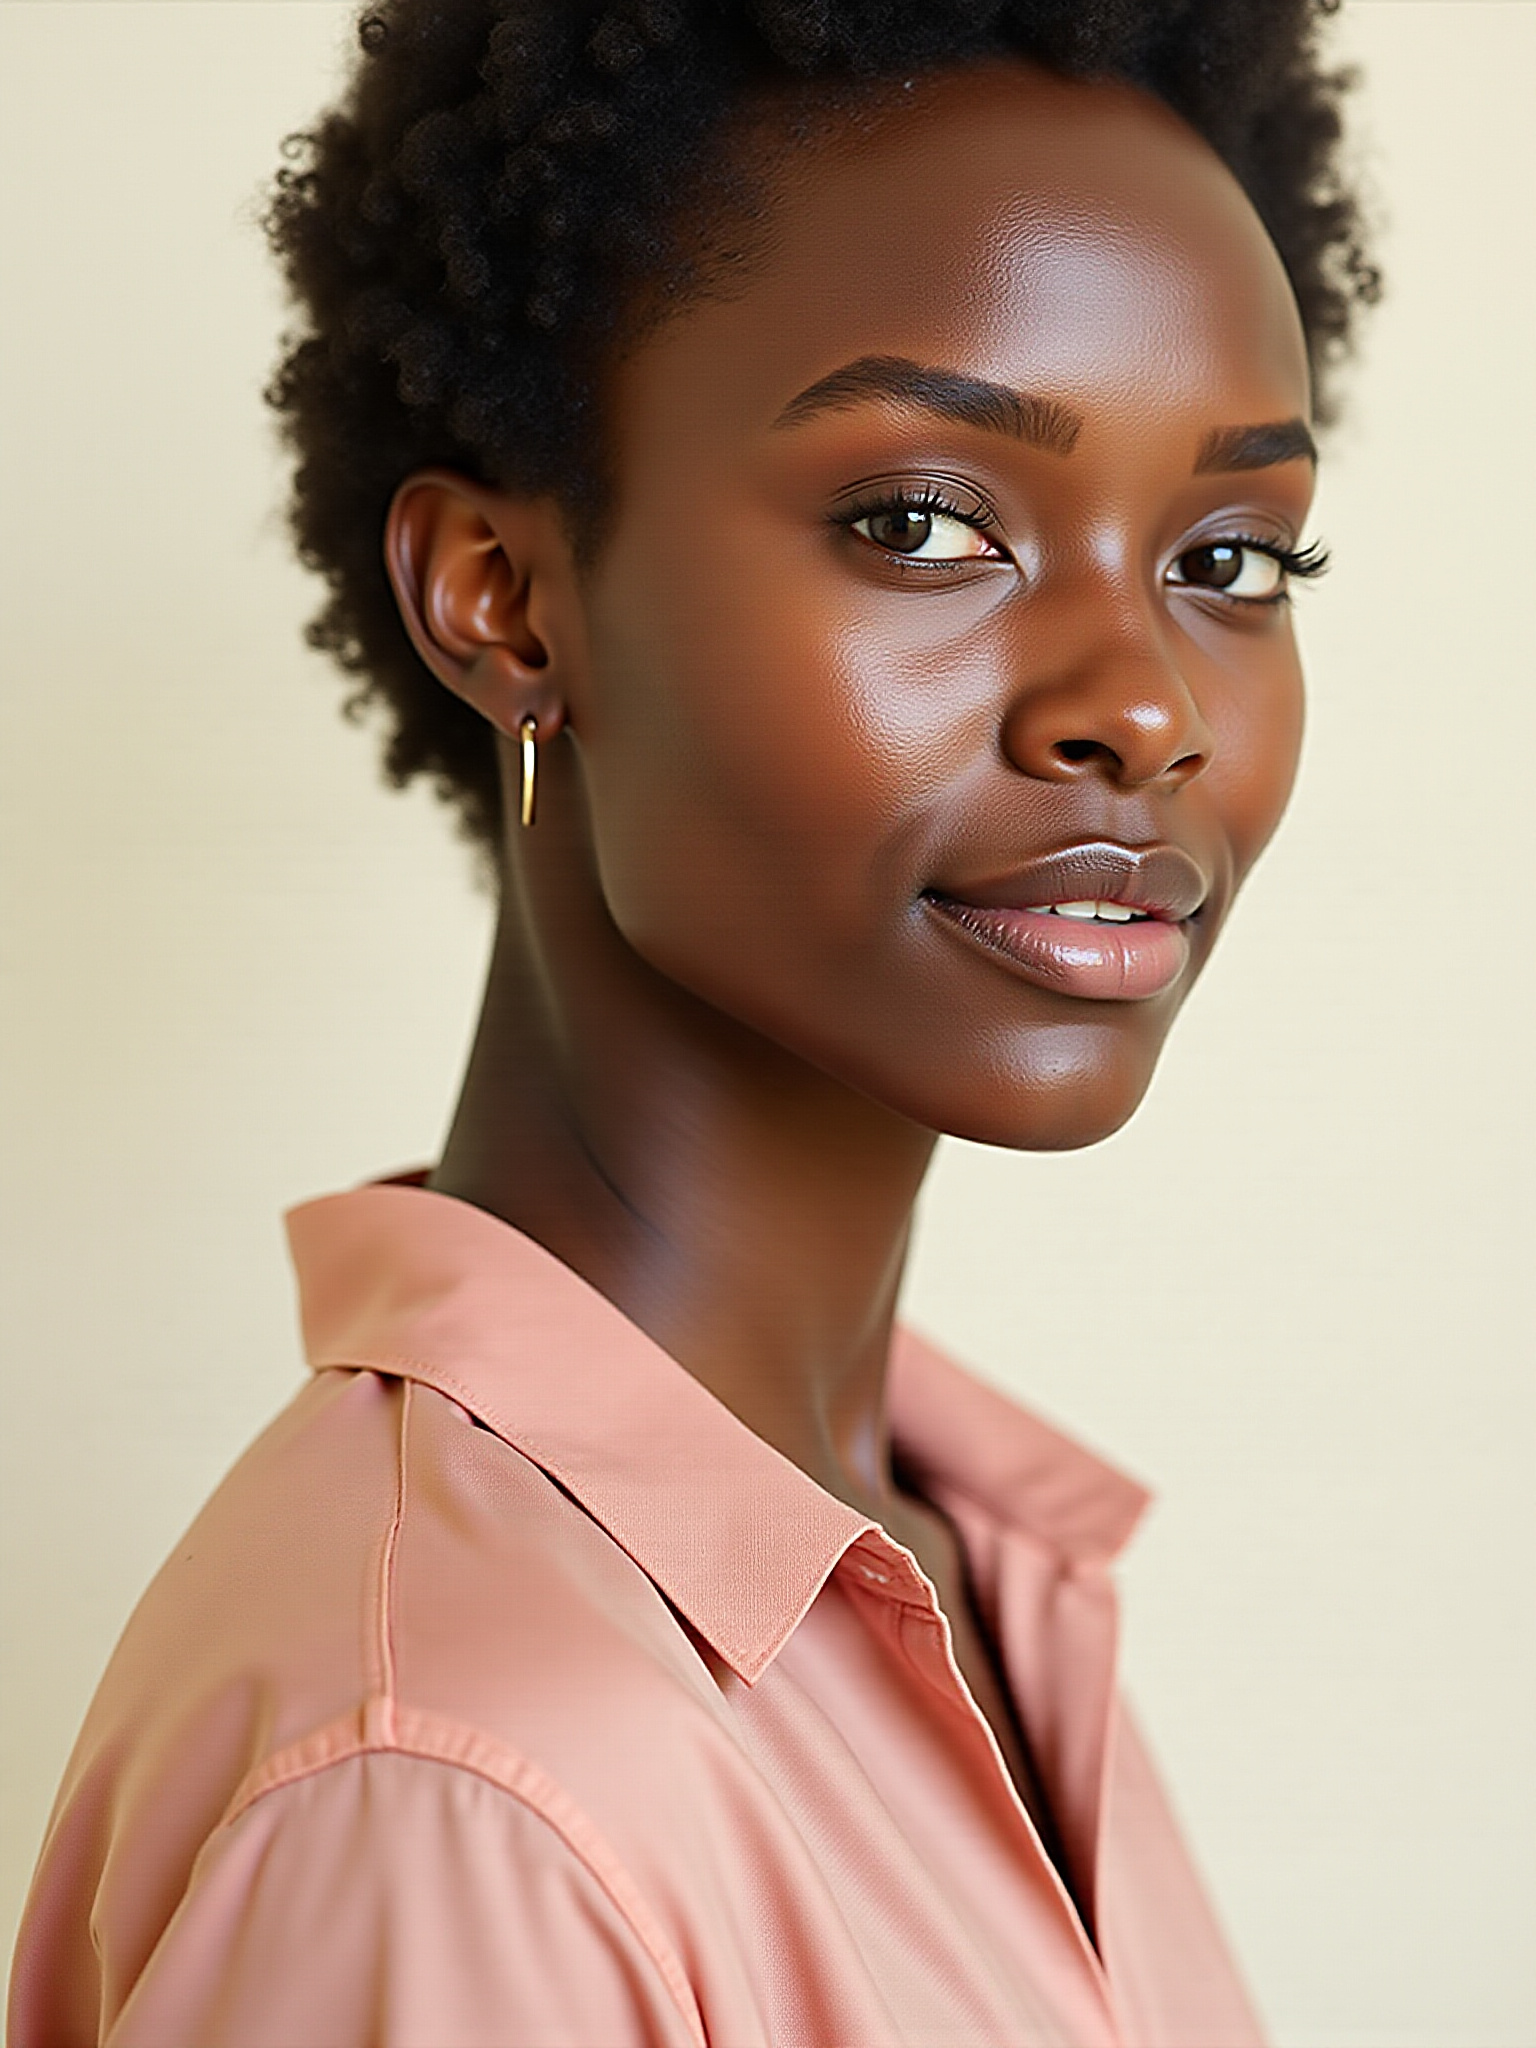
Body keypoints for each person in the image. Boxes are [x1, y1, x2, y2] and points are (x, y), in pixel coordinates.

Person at [7, 2, 1377, 2041]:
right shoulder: (462, 1787)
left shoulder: (959, 1564)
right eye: (923, 521)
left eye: (1230, 553)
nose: (1145, 704)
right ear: (505, 597)